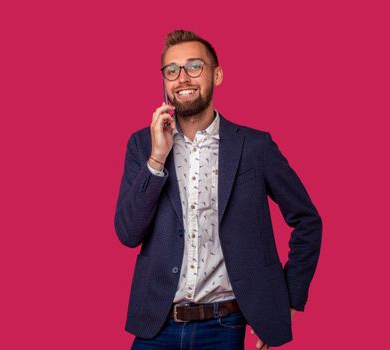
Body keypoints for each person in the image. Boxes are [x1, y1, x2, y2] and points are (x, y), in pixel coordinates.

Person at [114, 29, 322, 350]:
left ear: (217, 74)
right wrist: (157, 159)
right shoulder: (142, 145)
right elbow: (128, 234)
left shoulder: (255, 147)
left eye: (194, 66)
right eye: (172, 70)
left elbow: (308, 221)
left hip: (224, 327)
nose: (182, 78)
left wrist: (290, 298)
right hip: (156, 325)